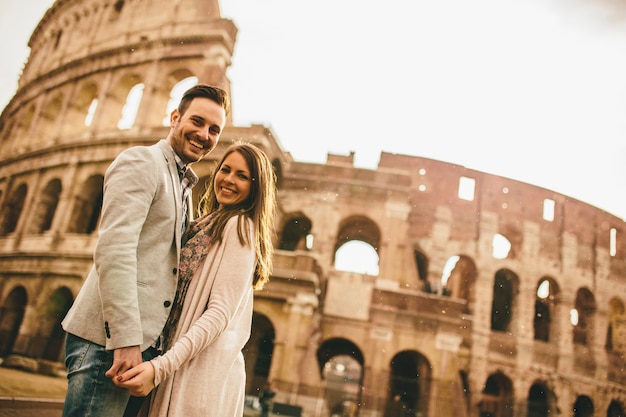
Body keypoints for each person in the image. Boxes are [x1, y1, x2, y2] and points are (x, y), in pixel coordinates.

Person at [60, 84, 230, 417]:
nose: (204, 134)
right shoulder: (142, 161)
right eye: (196, 121)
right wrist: (125, 340)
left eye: (214, 130)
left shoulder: (183, 184)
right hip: (109, 345)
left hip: (139, 349)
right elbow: (115, 250)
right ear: (175, 117)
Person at [113, 142, 277, 417]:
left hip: (194, 374)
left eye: (242, 176)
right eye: (225, 170)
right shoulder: (209, 224)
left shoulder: (239, 226)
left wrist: (160, 367)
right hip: (179, 364)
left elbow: (218, 314)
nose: (228, 180)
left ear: (256, 187)